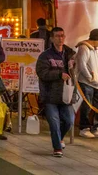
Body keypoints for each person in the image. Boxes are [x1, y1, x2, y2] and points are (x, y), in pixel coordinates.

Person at [36, 27, 76, 157]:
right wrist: (59, 74)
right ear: (52, 38)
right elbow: (42, 73)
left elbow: (75, 72)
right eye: (57, 36)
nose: (60, 38)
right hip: (50, 94)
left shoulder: (70, 54)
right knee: (54, 121)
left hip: (67, 93)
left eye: (62, 36)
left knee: (69, 120)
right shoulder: (45, 56)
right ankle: (57, 148)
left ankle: (60, 138)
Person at [76, 29, 98, 138]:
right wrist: (90, 78)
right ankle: (84, 127)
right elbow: (81, 65)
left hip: (96, 83)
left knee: (96, 106)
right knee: (87, 105)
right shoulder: (84, 48)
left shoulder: (96, 49)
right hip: (86, 82)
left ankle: (95, 127)